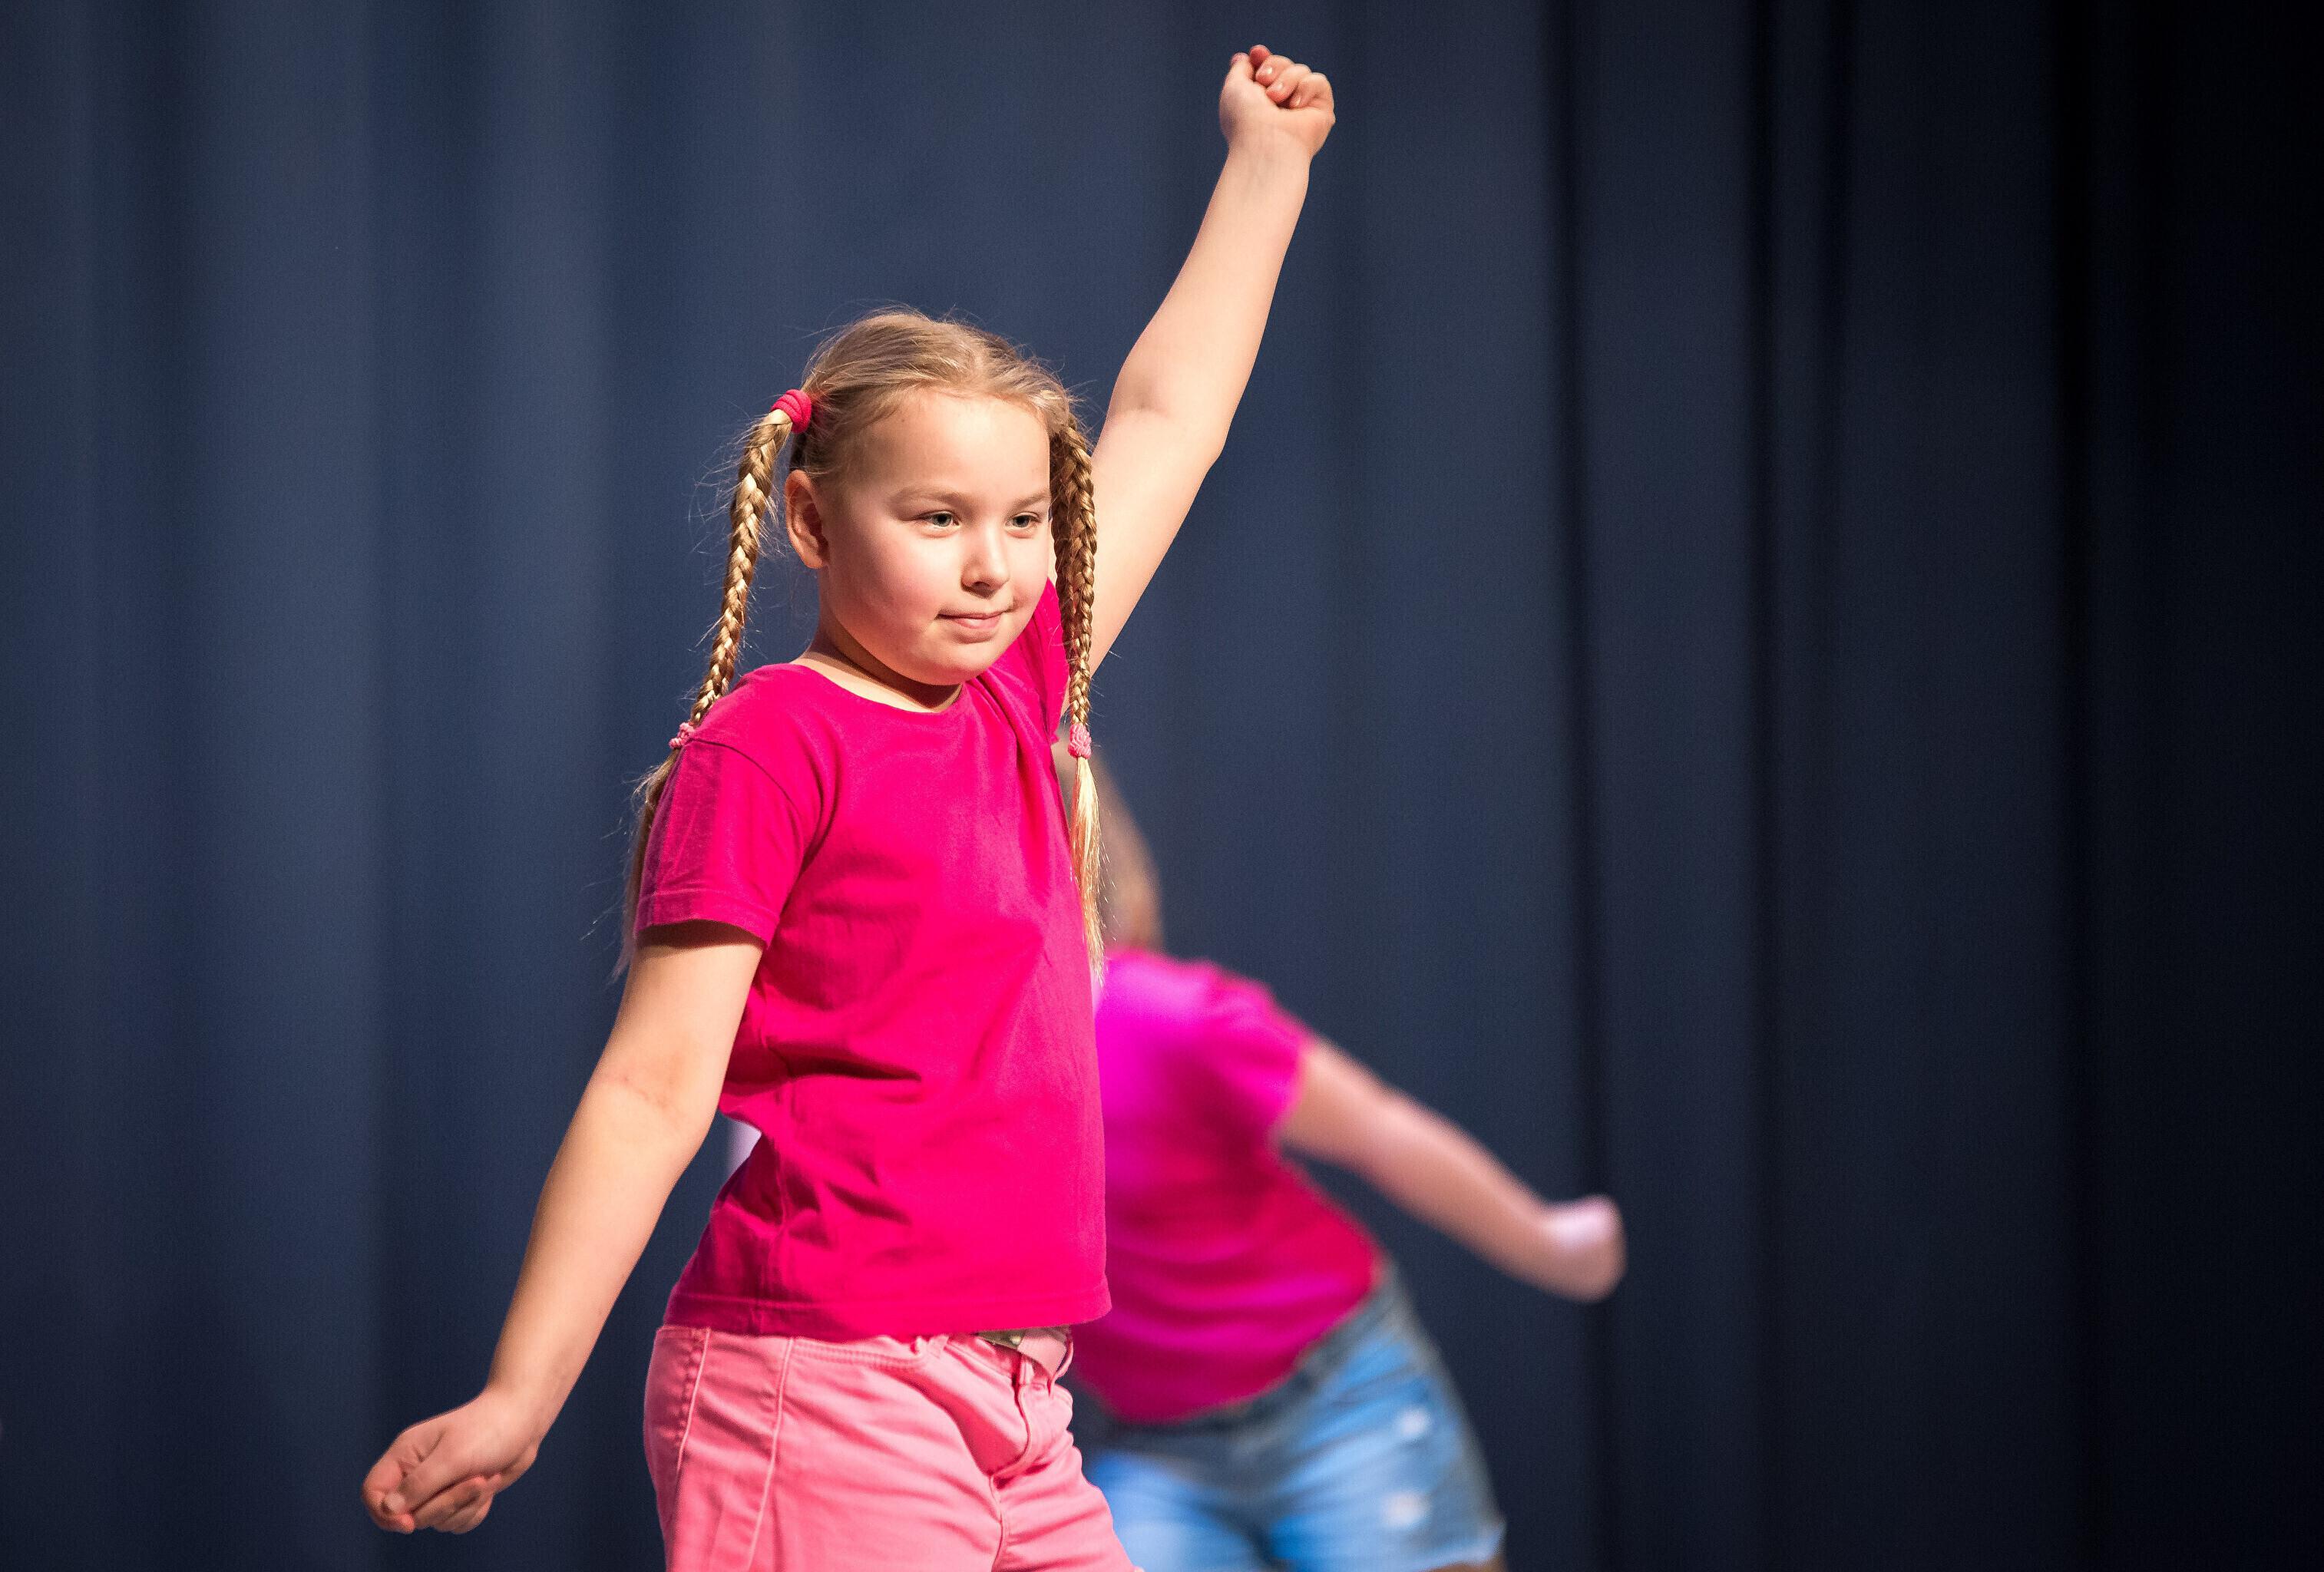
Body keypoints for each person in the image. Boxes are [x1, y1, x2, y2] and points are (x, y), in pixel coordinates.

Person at [360, 45, 1337, 1570]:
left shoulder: (1016, 692)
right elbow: (651, 1089)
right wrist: (521, 1390)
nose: (990, 564)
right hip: (821, 1388)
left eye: (1023, 520)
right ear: (813, 519)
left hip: (1020, 1400)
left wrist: (1265, 166)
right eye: (936, 518)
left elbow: (1169, 416)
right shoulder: (769, 747)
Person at [1064, 751, 1625, 1572]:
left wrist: (1546, 1238)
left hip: (1337, 1397)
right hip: (1157, 1450)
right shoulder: (948, 1065)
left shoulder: (1173, 1018)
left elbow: (1378, 1128)